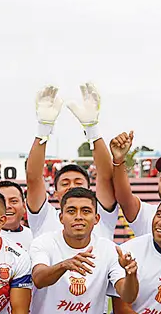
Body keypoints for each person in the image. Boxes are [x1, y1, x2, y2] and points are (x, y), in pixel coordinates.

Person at [28, 188, 139, 314]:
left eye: (86, 211)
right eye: (71, 211)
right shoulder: (44, 242)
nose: (79, 216)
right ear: (61, 218)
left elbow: (128, 296)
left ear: (96, 218)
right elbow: (38, 279)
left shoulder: (108, 249)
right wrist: (64, 265)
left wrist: (131, 274)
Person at [27, 84, 120, 242]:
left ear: (90, 190)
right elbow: (33, 177)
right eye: (65, 183)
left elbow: (106, 176)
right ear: (55, 194)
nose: (71, 186)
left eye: (78, 182)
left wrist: (92, 128)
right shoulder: (43, 217)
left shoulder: (102, 215)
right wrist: (44, 128)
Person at [0, 180, 33, 250]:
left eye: (13, 201)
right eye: (1, 201)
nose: (7, 206)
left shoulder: (34, 237)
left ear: (24, 207)